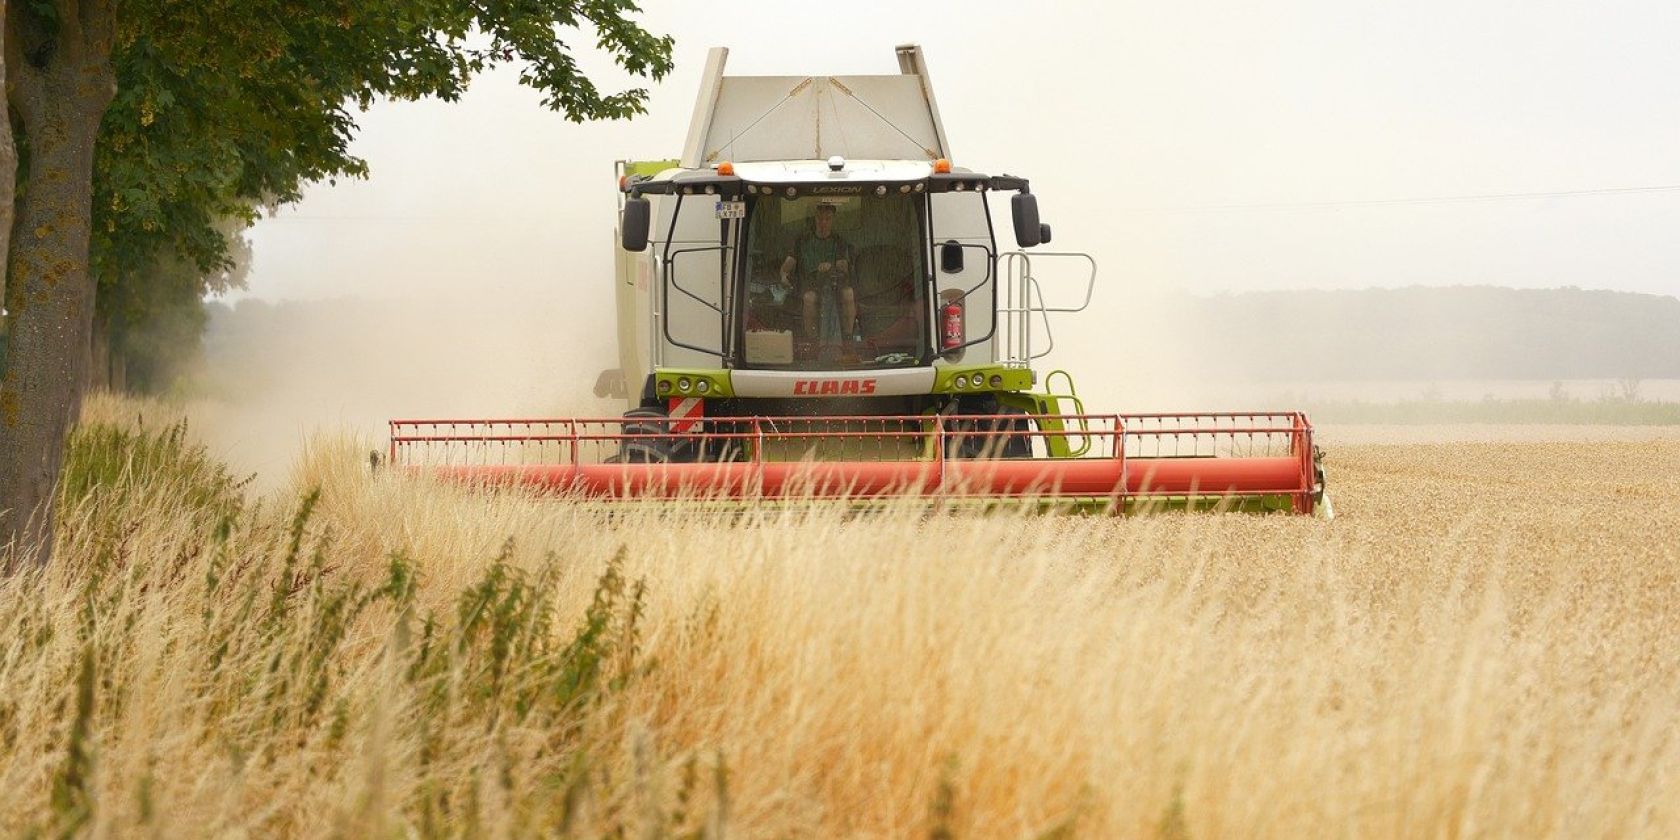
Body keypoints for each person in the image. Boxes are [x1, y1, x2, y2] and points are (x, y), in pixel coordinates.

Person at [779, 203, 857, 341]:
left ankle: (848, 336)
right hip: (811, 284)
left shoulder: (839, 241)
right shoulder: (802, 240)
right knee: (809, 299)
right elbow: (788, 263)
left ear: (833, 220)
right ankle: (812, 340)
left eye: (828, 218)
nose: (823, 222)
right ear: (815, 218)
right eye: (820, 218)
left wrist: (833, 265)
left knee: (849, 293)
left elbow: (844, 266)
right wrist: (784, 275)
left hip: (836, 283)